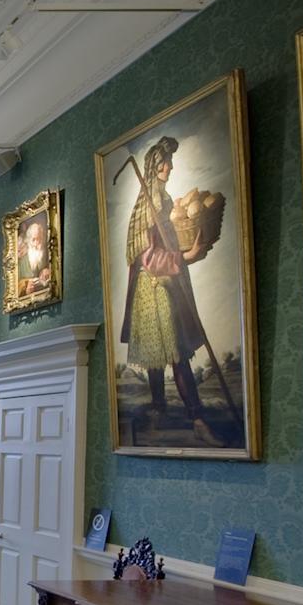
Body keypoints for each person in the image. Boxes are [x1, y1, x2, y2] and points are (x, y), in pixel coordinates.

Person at [119, 136, 221, 446]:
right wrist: (184, 257)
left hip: (166, 285)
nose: (169, 166)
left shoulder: (164, 199)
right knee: (166, 356)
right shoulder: (150, 204)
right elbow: (143, 255)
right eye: (164, 162)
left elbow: (169, 239)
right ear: (153, 166)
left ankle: (179, 413)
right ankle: (188, 417)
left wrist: (185, 248)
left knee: (172, 353)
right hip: (152, 288)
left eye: (170, 161)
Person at [17, 219, 51, 295]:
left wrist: (47, 271)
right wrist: (26, 284)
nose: (36, 243)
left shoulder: (44, 255)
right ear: (28, 240)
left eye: (39, 239)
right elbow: (16, 284)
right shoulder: (22, 258)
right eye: (33, 240)